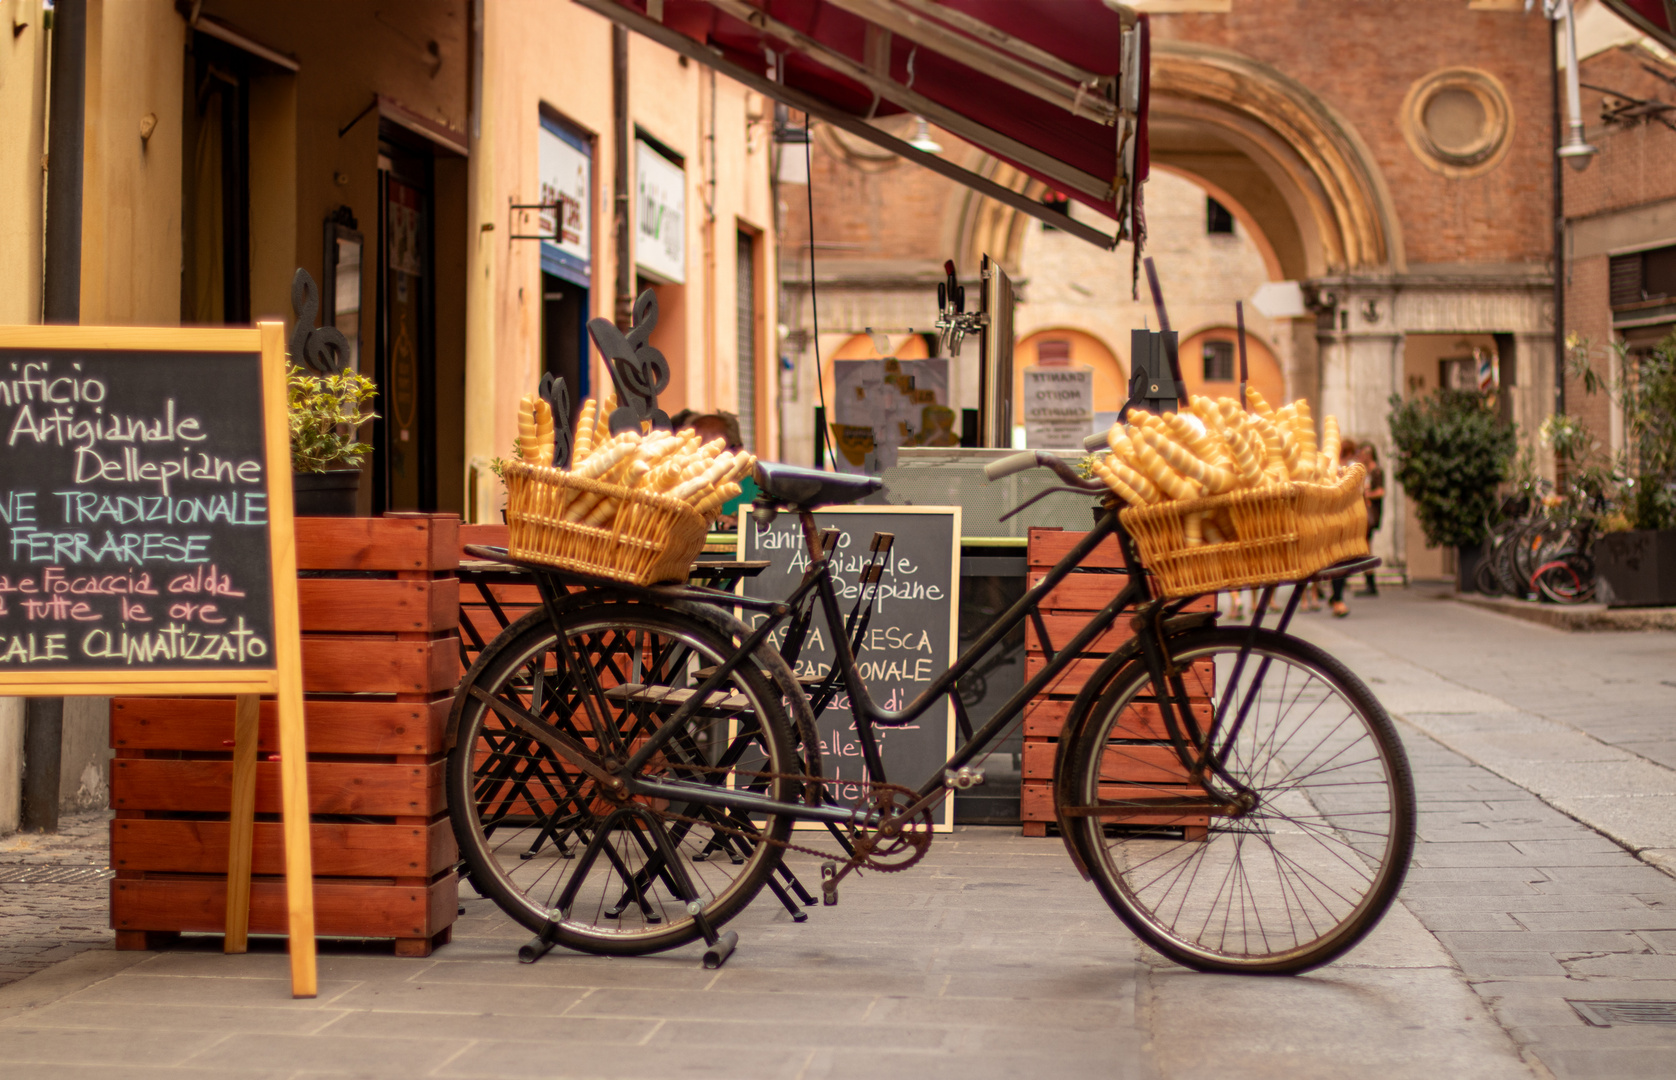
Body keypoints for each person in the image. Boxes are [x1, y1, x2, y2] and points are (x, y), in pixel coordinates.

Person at [1329, 438, 1362, 617]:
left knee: (1341, 560)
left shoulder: (1330, 466)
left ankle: (1336, 597)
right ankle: (1338, 600)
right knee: (1341, 561)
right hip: (1344, 518)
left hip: (1334, 518)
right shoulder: (1350, 468)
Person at [1354, 443, 1385, 597]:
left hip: (1370, 513)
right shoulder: (1367, 471)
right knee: (1364, 548)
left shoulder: (1376, 471)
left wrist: (1367, 495)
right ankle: (1369, 582)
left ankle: (1371, 583)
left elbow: (1380, 491)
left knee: (1365, 548)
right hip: (1366, 512)